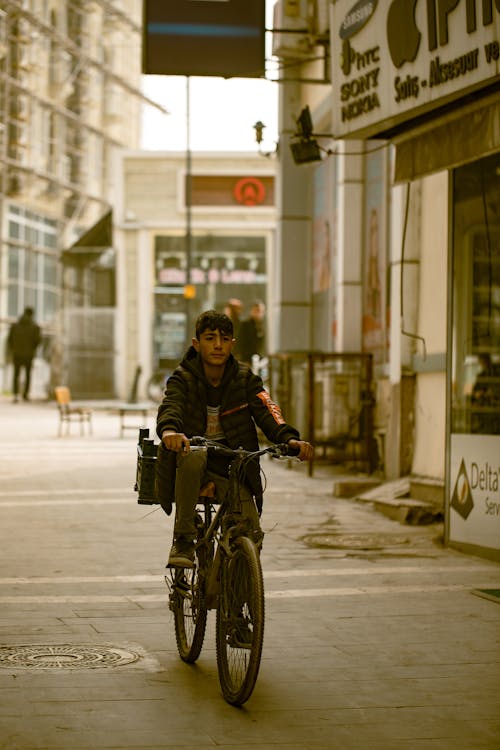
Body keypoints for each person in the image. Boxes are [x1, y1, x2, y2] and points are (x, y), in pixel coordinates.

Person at [156, 309, 313, 568]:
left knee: (250, 532)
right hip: (190, 468)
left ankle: (233, 596)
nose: (218, 345)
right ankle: (183, 540)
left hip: (232, 467)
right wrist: (170, 432)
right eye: (210, 338)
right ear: (196, 344)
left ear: (232, 344)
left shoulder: (245, 379)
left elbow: (268, 410)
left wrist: (289, 439)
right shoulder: (182, 378)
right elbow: (170, 407)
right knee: (194, 454)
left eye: (224, 338)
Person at [7, 307, 41, 403]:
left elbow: (10, 340)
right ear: (32, 314)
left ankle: (15, 395)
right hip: (29, 354)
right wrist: (32, 349)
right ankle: (25, 394)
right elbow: (38, 341)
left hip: (17, 354)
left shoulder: (15, 325)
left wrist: (14, 349)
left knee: (16, 374)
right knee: (27, 375)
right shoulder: (35, 327)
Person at [238, 299, 266, 366]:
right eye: (257, 310)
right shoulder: (245, 325)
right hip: (247, 359)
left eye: (261, 311)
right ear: (252, 311)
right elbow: (241, 343)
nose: (259, 313)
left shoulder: (261, 325)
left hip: (259, 359)